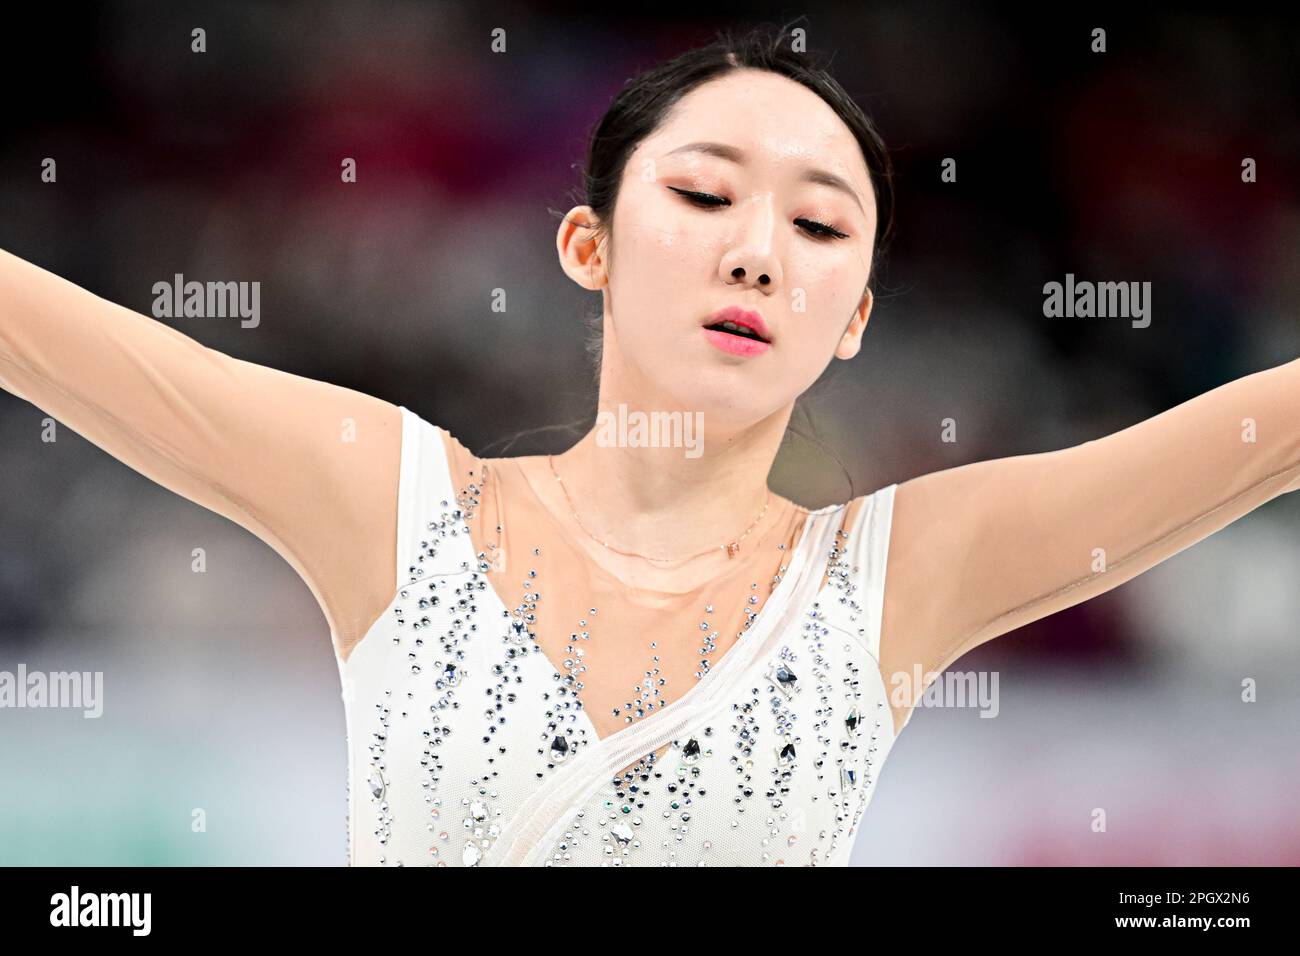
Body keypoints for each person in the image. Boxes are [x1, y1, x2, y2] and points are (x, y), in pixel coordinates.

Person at [2, 24, 1297, 866]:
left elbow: (1264, 433)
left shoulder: (896, 574)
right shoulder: (392, 503)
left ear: (853, 320)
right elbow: (41, 332)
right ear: (589, 246)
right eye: (701, 192)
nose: (754, 249)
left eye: (819, 226)